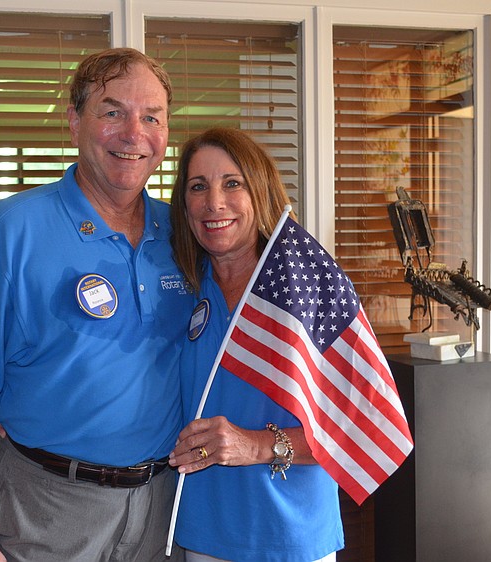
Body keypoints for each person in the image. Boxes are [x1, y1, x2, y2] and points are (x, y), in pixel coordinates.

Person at [0, 48, 191, 562]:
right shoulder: (11, 232)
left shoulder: (185, 235)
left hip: (164, 507)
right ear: (75, 122)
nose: (133, 134)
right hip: (44, 509)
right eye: (112, 111)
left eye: (151, 117)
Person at [167, 128, 343, 562]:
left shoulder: (308, 289)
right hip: (205, 533)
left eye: (232, 183)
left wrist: (254, 445)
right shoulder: (182, 288)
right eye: (197, 187)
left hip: (291, 536)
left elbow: (353, 427)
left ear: (259, 192)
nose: (214, 202)